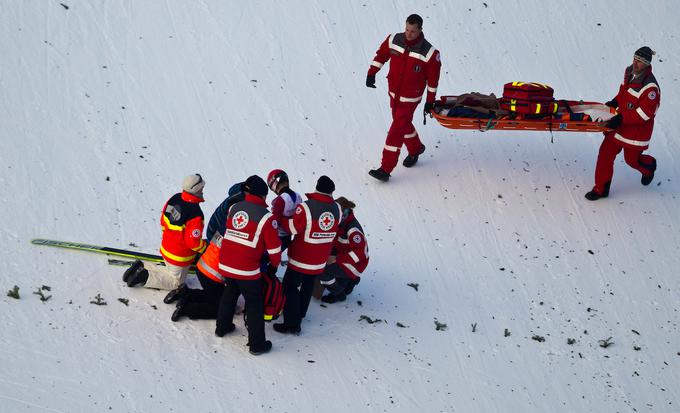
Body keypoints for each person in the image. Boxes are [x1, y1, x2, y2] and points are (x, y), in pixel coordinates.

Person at [366, 14, 441, 182]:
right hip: (393, 92)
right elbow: (381, 55)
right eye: (407, 29)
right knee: (402, 123)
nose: (408, 34)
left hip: (411, 98)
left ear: (420, 30)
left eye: (413, 31)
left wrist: (430, 101)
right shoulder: (394, 40)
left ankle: (385, 168)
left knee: (396, 130)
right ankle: (416, 148)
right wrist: (372, 73)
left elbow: (433, 81)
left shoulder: (430, 53)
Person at [215, 175, 282, 356]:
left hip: (226, 263)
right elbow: (275, 250)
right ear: (263, 196)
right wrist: (274, 266)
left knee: (230, 293)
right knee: (254, 303)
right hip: (247, 269)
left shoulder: (234, 208)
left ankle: (222, 327)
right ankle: (257, 344)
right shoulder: (267, 218)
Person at [585, 47, 660, 201]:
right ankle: (601, 189)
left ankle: (649, 167)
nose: (636, 63)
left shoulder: (651, 88)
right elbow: (624, 94)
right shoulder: (629, 72)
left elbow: (644, 114)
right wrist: (614, 102)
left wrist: (620, 119)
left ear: (647, 64)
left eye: (641, 62)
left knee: (632, 160)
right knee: (605, 154)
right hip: (620, 125)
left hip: (636, 132)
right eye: (635, 59)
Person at [170, 179, 248, 322]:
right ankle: (187, 308)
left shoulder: (232, 203)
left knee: (213, 296)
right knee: (221, 308)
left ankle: (185, 294)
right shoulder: (236, 233)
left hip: (204, 265)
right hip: (212, 274)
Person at [273, 176, 341, 335]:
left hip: (301, 259)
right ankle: (301, 314)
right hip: (319, 260)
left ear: (316, 187)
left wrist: (279, 216)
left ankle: (292, 324)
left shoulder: (306, 207)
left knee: (290, 287)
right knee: (307, 286)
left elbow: (292, 228)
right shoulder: (337, 208)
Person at [123, 174, 207, 290]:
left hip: (166, 247)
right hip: (179, 257)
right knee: (176, 283)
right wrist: (204, 248)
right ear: (196, 189)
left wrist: (169, 236)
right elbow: (193, 243)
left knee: (169, 271)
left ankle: (142, 266)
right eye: (202, 187)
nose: (203, 189)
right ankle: (145, 277)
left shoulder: (175, 198)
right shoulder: (195, 214)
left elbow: (163, 219)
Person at [318, 197, 369, 303]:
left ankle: (338, 294)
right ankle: (351, 280)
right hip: (344, 255)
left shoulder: (353, 230)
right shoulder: (342, 222)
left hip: (356, 264)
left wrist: (336, 259)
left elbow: (360, 255)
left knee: (321, 270)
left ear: (343, 213)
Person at [267, 169, 303, 251]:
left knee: (265, 257)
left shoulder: (281, 199)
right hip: (289, 235)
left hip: (279, 237)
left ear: (274, 184)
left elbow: (275, 222)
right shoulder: (298, 196)